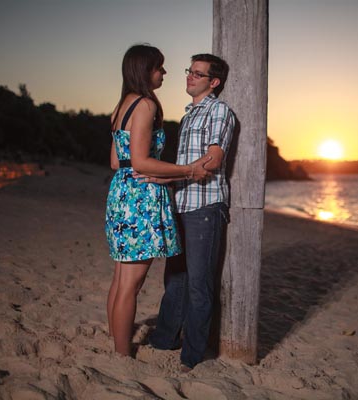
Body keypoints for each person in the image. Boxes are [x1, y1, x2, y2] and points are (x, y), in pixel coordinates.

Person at [105, 44, 212, 357]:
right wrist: (187, 171)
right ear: (144, 70)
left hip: (121, 192)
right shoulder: (145, 106)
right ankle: (123, 354)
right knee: (131, 283)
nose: (164, 73)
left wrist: (161, 175)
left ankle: (116, 341)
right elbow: (140, 161)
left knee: (121, 277)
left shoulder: (121, 105)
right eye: (159, 67)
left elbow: (117, 162)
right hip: (140, 200)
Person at [146, 53, 236, 371]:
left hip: (205, 207)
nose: (190, 77)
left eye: (198, 74)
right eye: (190, 71)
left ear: (214, 82)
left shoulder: (219, 111)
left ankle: (192, 356)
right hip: (181, 205)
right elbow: (191, 166)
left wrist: (169, 174)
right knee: (175, 279)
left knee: (199, 283)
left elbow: (213, 160)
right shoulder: (188, 116)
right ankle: (164, 340)